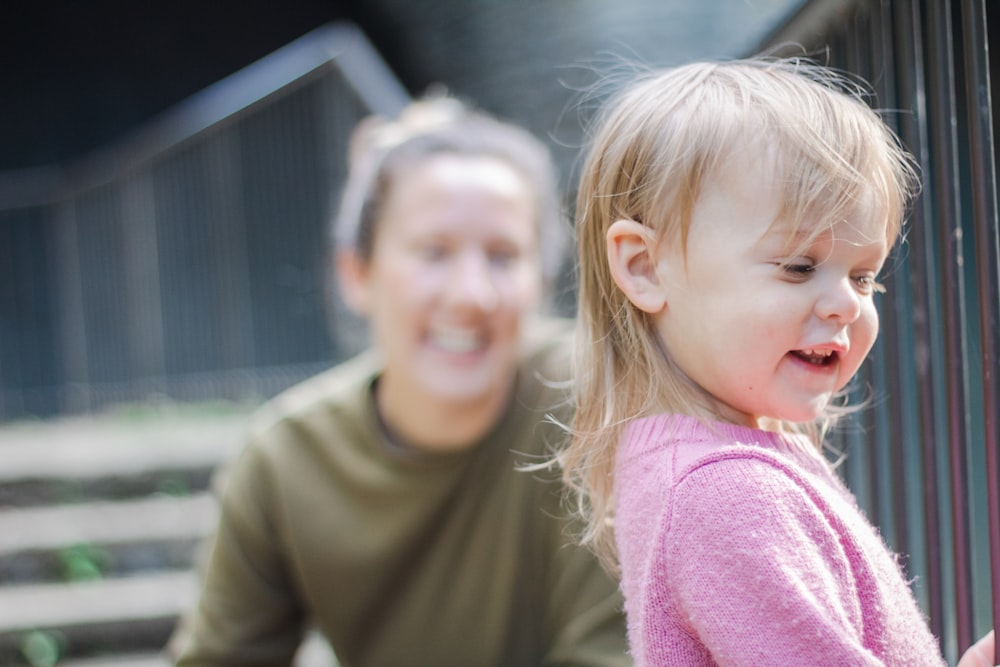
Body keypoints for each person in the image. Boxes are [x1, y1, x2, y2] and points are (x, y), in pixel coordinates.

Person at [169, 95, 630, 666]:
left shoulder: (602, 405)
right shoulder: (287, 457)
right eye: (433, 252)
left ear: (541, 278)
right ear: (357, 273)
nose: (471, 295)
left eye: (503, 256)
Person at [561, 57, 991, 665]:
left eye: (865, 276)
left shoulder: (705, 466)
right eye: (799, 266)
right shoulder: (724, 495)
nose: (847, 303)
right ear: (644, 267)